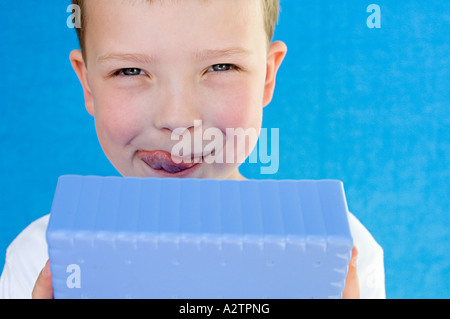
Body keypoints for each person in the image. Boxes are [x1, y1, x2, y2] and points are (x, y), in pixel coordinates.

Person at [0, 0, 385, 299]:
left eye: (220, 67)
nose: (177, 118)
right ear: (88, 85)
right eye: (130, 71)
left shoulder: (339, 253)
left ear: (267, 76)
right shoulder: (41, 259)